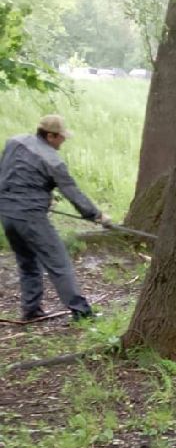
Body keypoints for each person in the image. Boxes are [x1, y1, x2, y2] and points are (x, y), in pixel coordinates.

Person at [0, 114, 111, 321]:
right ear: (51, 136)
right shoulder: (52, 160)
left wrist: (42, 196)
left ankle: (31, 309)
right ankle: (82, 312)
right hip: (31, 217)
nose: (63, 140)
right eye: (61, 136)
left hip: (6, 213)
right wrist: (96, 215)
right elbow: (72, 192)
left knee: (27, 262)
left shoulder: (14, 142)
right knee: (59, 263)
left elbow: (8, 174)